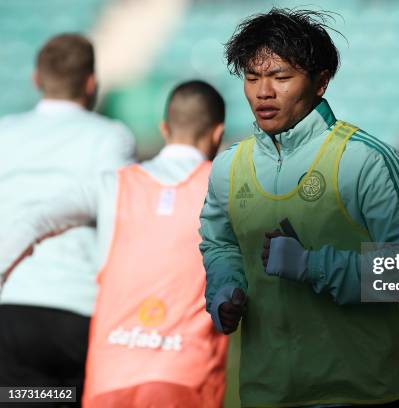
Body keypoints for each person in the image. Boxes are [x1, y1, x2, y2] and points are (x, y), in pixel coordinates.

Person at [200, 8, 399, 407]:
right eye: (252, 78)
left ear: (321, 81)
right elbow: (220, 245)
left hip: (361, 395)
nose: (263, 92)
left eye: (281, 77)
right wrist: (225, 291)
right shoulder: (228, 166)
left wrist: (312, 265)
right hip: (266, 394)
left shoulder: (365, 159)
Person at [0, 80, 229, 407]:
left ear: (164, 129)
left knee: (20, 399)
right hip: (183, 378)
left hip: (110, 378)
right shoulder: (226, 190)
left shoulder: (114, 184)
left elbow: (32, 220)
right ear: (218, 133)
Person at [0, 33, 135, 405]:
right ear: (91, 82)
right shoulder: (111, 137)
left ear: (35, 79)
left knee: (20, 400)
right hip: (77, 308)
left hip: (11, 303)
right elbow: (118, 214)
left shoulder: (4, 132)